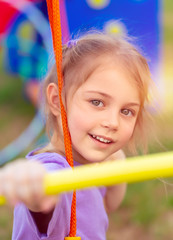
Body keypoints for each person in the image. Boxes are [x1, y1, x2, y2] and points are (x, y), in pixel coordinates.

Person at [0, 32, 153, 239]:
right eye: (97, 102)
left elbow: (108, 205)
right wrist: (33, 183)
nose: (113, 123)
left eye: (126, 111)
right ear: (56, 100)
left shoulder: (88, 163)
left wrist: (118, 163)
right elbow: (45, 198)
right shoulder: (53, 171)